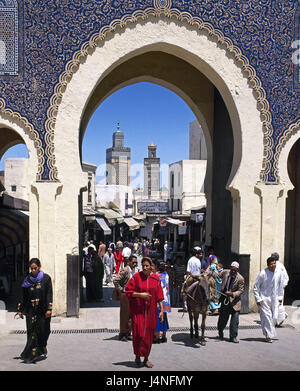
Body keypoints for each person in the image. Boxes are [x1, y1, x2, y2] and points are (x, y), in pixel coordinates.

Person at [125, 257, 164, 368]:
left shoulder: (156, 279)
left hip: (151, 312)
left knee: (148, 336)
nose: (145, 268)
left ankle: (146, 358)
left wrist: (161, 310)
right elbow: (128, 291)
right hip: (138, 312)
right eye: (143, 266)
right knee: (138, 334)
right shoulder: (136, 277)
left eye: (147, 266)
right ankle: (137, 356)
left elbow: (160, 296)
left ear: (151, 266)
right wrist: (141, 295)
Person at [16, 258, 53, 363]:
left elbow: (49, 294)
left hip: (42, 311)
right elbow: (23, 296)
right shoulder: (27, 280)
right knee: (32, 333)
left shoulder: (46, 279)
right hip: (31, 311)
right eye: (31, 269)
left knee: (45, 331)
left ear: (39, 267)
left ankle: (43, 346)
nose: (33, 271)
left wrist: (49, 309)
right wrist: (20, 310)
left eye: (35, 268)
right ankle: (33, 354)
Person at [253, 257, 285, 343]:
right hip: (264, 299)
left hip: (274, 299)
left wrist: (280, 298)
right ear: (268, 265)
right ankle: (268, 335)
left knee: (274, 317)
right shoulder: (263, 273)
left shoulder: (279, 273)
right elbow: (256, 287)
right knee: (266, 317)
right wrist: (258, 299)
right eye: (271, 264)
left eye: (274, 263)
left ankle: (268, 333)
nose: (273, 265)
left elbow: (281, 286)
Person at [212, 261, 245, 343]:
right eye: (232, 269)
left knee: (235, 320)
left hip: (234, 302)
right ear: (230, 268)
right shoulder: (225, 272)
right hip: (224, 299)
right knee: (223, 318)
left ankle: (233, 337)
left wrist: (233, 293)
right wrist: (210, 272)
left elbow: (241, 290)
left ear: (237, 270)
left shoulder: (240, 278)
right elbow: (218, 275)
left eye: (235, 270)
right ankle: (220, 331)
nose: (233, 271)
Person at [113, 255, 138, 341]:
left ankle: (128, 332)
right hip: (125, 295)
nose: (135, 264)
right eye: (133, 262)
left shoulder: (135, 270)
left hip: (133, 295)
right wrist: (120, 290)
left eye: (136, 262)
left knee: (131, 315)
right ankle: (123, 333)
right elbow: (115, 280)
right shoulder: (125, 270)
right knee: (124, 315)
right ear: (129, 262)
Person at [154, 261, 171, 343]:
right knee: (164, 317)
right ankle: (164, 336)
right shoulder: (166, 275)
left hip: (159, 299)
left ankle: (156, 337)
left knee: (158, 317)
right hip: (166, 300)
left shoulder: (157, 276)